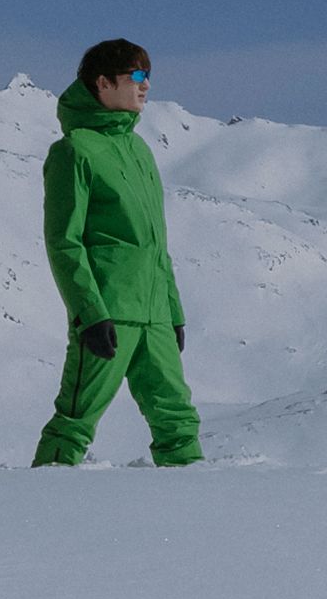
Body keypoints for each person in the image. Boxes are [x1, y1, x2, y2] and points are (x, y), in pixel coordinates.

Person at [32, 38, 202, 467]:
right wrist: (90, 312)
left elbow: (156, 243)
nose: (146, 86)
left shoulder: (139, 150)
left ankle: (194, 510)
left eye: (148, 76)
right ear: (103, 84)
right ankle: (35, 509)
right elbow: (64, 241)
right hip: (108, 311)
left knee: (177, 418)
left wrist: (172, 310)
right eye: (137, 76)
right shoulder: (74, 151)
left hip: (154, 315)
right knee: (76, 419)